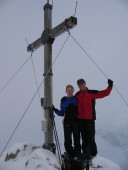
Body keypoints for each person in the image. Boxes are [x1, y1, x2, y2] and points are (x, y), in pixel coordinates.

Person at [75, 78, 113, 160]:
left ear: (85, 84)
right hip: (81, 120)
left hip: (90, 120)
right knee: (84, 139)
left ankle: (93, 155)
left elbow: (104, 93)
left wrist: (110, 86)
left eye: (82, 83)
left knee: (91, 138)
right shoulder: (77, 95)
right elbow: (72, 103)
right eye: (79, 84)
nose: (81, 85)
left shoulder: (91, 93)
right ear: (78, 85)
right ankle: (85, 155)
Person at [53, 85, 81, 158]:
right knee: (68, 141)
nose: (70, 91)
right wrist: (55, 109)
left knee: (77, 139)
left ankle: (77, 155)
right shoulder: (63, 100)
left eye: (71, 90)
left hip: (76, 122)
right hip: (67, 122)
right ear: (66, 91)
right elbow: (62, 113)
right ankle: (70, 156)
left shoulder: (76, 98)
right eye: (68, 90)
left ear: (73, 91)